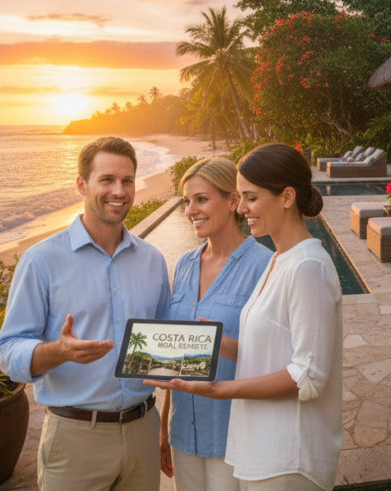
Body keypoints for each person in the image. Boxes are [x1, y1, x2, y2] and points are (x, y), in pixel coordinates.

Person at [146, 143, 342, 491]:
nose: (245, 207)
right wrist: (221, 344)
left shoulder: (306, 266)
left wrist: (221, 388)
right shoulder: (281, 261)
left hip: (286, 454)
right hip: (257, 447)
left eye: (250, 197)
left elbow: (309, 376)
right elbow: (269, 347)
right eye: (243, 196)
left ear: (286, 197)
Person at [0, 136, 171, 491]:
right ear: (81, 184)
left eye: (127, 180)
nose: (118, 191)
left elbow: (162, 346)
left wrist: (206, 349)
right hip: (75, 440)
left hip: (143, 431)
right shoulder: (42, 260)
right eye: (106, 180)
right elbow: (5, 350)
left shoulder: (153, 260)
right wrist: (56, 352)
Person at [160, 157, 272, 491]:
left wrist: (225, 346)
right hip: (184, 435)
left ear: (233, 201)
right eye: (186, 201)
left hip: (233, 435)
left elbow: (275, 358)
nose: (190, 210)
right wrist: (164, 427)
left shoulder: (264, 266)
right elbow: (175, 358)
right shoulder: (184, 265)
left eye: (201, 199)